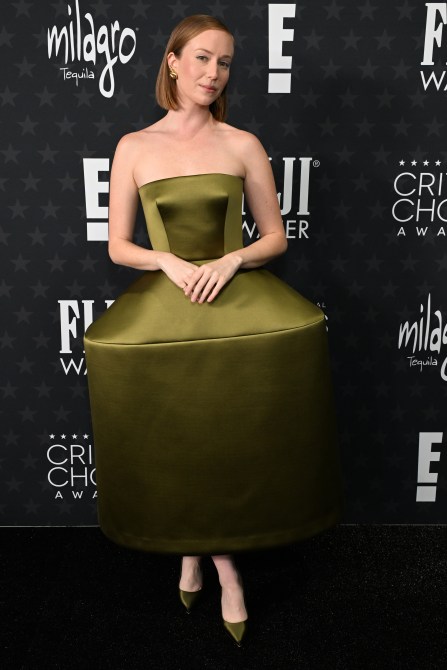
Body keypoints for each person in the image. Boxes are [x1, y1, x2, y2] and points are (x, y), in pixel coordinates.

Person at [84, 14, 344, 647]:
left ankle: (204, 560)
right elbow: (118, 245)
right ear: (173, 62)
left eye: (224, 62)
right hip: (167, 307)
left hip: (235, 303)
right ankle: (216, 564)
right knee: (181, 440)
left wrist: (231, 260)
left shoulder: (242, 143)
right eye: (202, 58)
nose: (214, 73)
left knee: (226, 441)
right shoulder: (133, 146)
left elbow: (275, 237)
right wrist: (166, 260)